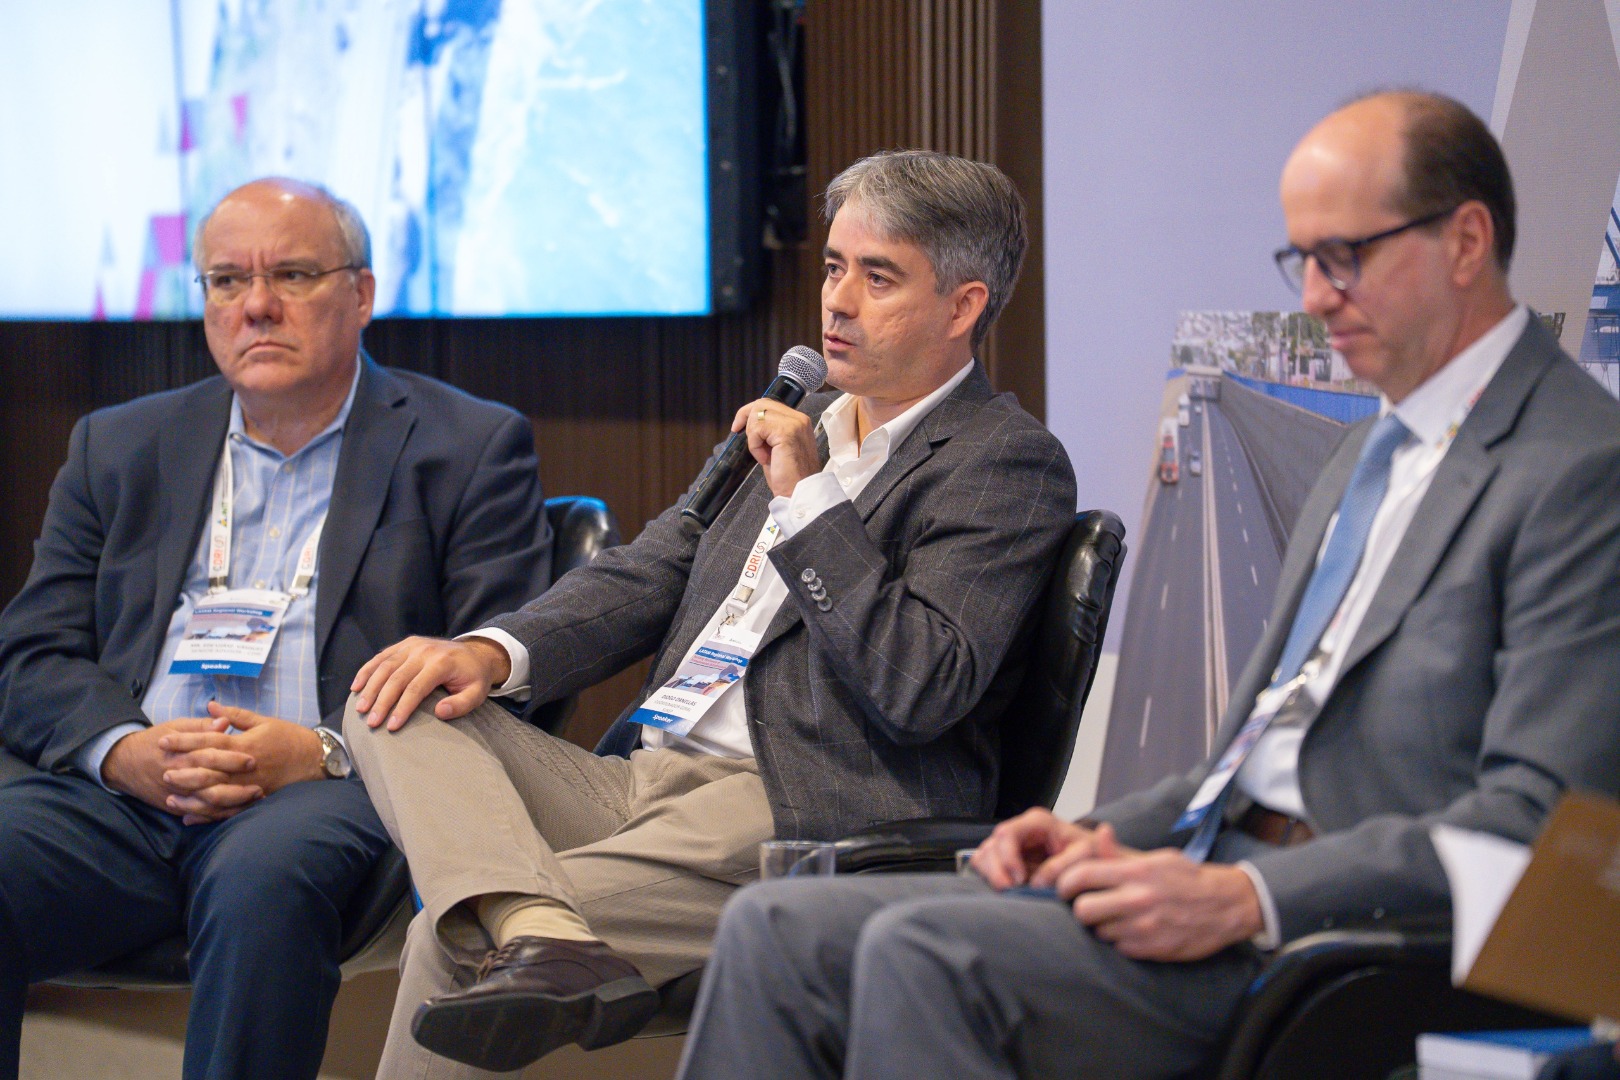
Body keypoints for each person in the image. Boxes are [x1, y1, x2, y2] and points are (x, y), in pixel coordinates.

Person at [674, 91, 1620, 1080]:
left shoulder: (1578, 470)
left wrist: (1252, 899)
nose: (1316, 296)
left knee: (922, 954)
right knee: (777, 927)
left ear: (1466, 242)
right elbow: (1253, 761)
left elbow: (1541, 825)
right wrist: (1091, 835)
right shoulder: (1369, 455)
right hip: (1217, 864)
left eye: (1345, 256)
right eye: (1302, 261)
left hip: (1351, 936)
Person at [343, 149, 1078, 1074]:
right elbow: (656, 565)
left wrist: (809, 500)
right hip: (641, 776)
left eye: (878, 277)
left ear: (963, 306)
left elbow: (919, 682)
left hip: (794, 802)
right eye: (834, 268)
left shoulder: (1002, 461)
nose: (838, 303)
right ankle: (537, 925)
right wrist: (493, 652)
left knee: (448, 939)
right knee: (393, 696)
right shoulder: (803, 409)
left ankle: (527, 927)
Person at [0, 178, 553, 1080]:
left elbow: (502, 673)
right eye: (227, 281)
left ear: (361, 294)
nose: (255, 306)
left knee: (264, 876)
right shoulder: (119, 445)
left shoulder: (469, 447)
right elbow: (31, 654)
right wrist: (123, 751)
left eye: (292, 275)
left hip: (324, 792)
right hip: (129, 797)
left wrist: (324, 751)